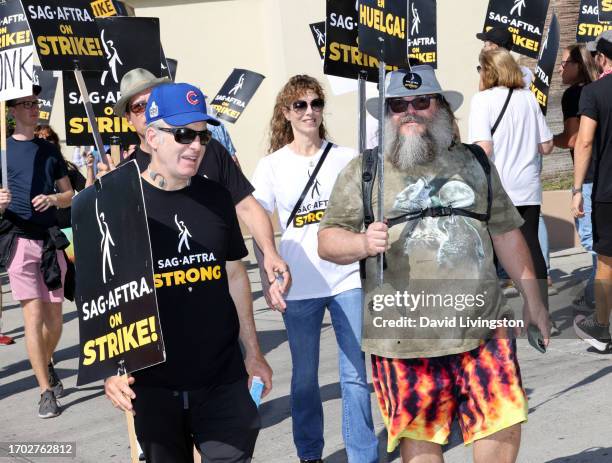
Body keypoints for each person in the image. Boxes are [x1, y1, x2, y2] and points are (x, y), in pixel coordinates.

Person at [318, 65, 551, 463]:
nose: (409, 111)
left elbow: (507, 233)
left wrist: (535, 300)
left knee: (502, 419)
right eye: (398, 105)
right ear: (386, 113)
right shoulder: (365, 171)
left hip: (483, 326)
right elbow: (327, 240)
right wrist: (360, 242)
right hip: (404, 338)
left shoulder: (475, 162)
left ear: (440, 107)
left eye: (421, 101)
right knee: (421, 437)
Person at [104, 83, 269, 462]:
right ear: (152, 137)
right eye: (183, 134)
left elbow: (235, 276)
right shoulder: (117, 204)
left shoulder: (216, 197)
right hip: (153, 386)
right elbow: (105, 295)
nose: (195, 145)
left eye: (202, 135)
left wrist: (254, 353)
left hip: (222, 381)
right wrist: (112, 370)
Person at [251, 75, 378, 463]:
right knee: (305, 377)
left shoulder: (346, 156)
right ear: (286, 113)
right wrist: (265, 277)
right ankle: (310, 454)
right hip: (298, 283)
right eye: (300, 105)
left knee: (355, 373)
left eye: (316, 103)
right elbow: (257, 225)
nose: (310, 111)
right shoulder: (272, 165)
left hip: (345, 277)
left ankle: (363, 455)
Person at [100, 68, 289, 310]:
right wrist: (96, 198)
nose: (148, 110)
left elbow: (248, 208)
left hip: (219, 302)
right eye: (139, 106)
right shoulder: (124, 176)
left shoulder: (210, 150)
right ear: (128, 118)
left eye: (153, 100)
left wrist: (270, 253)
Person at [468, 48, 555, 333]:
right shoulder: (529, 99)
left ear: (488, 71)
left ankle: (492, 320)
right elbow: (546, 146)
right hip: (528, 187)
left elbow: (484, 148)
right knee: (532, 250)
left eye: (480, 69)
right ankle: (542, 313)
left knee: (490, 255)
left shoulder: (482, 101)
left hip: (497, 190)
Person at [0, 86, 74, 418]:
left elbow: (69, 194)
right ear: (12, 111)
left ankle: (45, 360)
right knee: (31, 317)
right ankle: (45, 390)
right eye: (26, 104)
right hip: (18, 240)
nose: (34, 108)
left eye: (36, 103)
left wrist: (53, 199)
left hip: (48, 241)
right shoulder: (1, 152)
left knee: (55, 320)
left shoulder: (48, 150)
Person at [572, 31, 612, 352]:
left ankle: (600, 326)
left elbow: (583, 141)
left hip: (607, 191)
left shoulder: (594, 93)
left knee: (607, 262)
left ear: (601, 58)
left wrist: (576, 189)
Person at [553, 44, 599, 311]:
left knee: (592, 240)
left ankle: (596, 296)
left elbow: (573, 139)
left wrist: (545, 141)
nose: (561, 67)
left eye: (564, 63)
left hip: (589, 177)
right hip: (603, 173)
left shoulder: (574, 95)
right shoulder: (600, 90)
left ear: (578, 65)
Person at [34, 125, 95, 229]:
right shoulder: (27, 171)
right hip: (40, 231)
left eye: (49, 138)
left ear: (55, 143)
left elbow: (87, 194)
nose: (45, 142)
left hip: (68, 230)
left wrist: (90, 168)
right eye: (39, 139)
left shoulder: (68, 169)